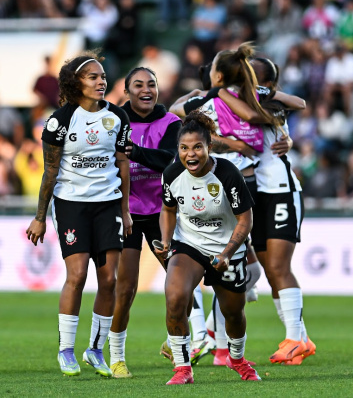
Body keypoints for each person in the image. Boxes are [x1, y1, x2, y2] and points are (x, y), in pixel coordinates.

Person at [26, 51, 132, 378]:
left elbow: (123, 165)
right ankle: (66, 350)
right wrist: (40, 217)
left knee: (110, 280)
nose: (101, 82)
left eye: (103, 77)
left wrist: (126, 211)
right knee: (77, 276)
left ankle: (95, 350)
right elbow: (50, 171)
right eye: (93, 77)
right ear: (76, 82)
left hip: (108, 203)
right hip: (71, 204)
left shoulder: (117, 117)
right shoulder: (59, 120)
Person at [216, 57, 314, 365]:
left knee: (279, 268)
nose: (243, 78)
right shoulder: (240, 102)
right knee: (271, 271)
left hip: (281, 190)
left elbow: (295, 104)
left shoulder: (268, 103)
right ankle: (301, 338)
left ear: (265, 83)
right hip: (257, 193)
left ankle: (294, 339)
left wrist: (224, 92)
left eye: (250, 75)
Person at [156, 111, 260, 385]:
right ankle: (183, 368)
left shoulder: (227, 173)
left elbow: (245, 219)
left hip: (227, 248)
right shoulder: (172, 173)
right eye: (184, 148)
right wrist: (166, 241)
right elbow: (168, 209)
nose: (190, 154)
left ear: (209, 147)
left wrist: (227, 253)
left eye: (197, 147)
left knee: (233, 312)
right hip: (189, 244)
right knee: (175, 297)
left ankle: (236, 359)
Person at [108, 67, 182, 378]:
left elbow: (170, 160)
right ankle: (116, 357)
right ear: (126, 92)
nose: (146, 89)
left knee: (181, 283)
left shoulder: (171, 123)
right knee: (125, 288)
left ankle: (176, 347)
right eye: (138, 85)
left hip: (162, 211)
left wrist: (135, 152)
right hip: (125, 212)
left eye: (151, 84)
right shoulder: (112, 120)